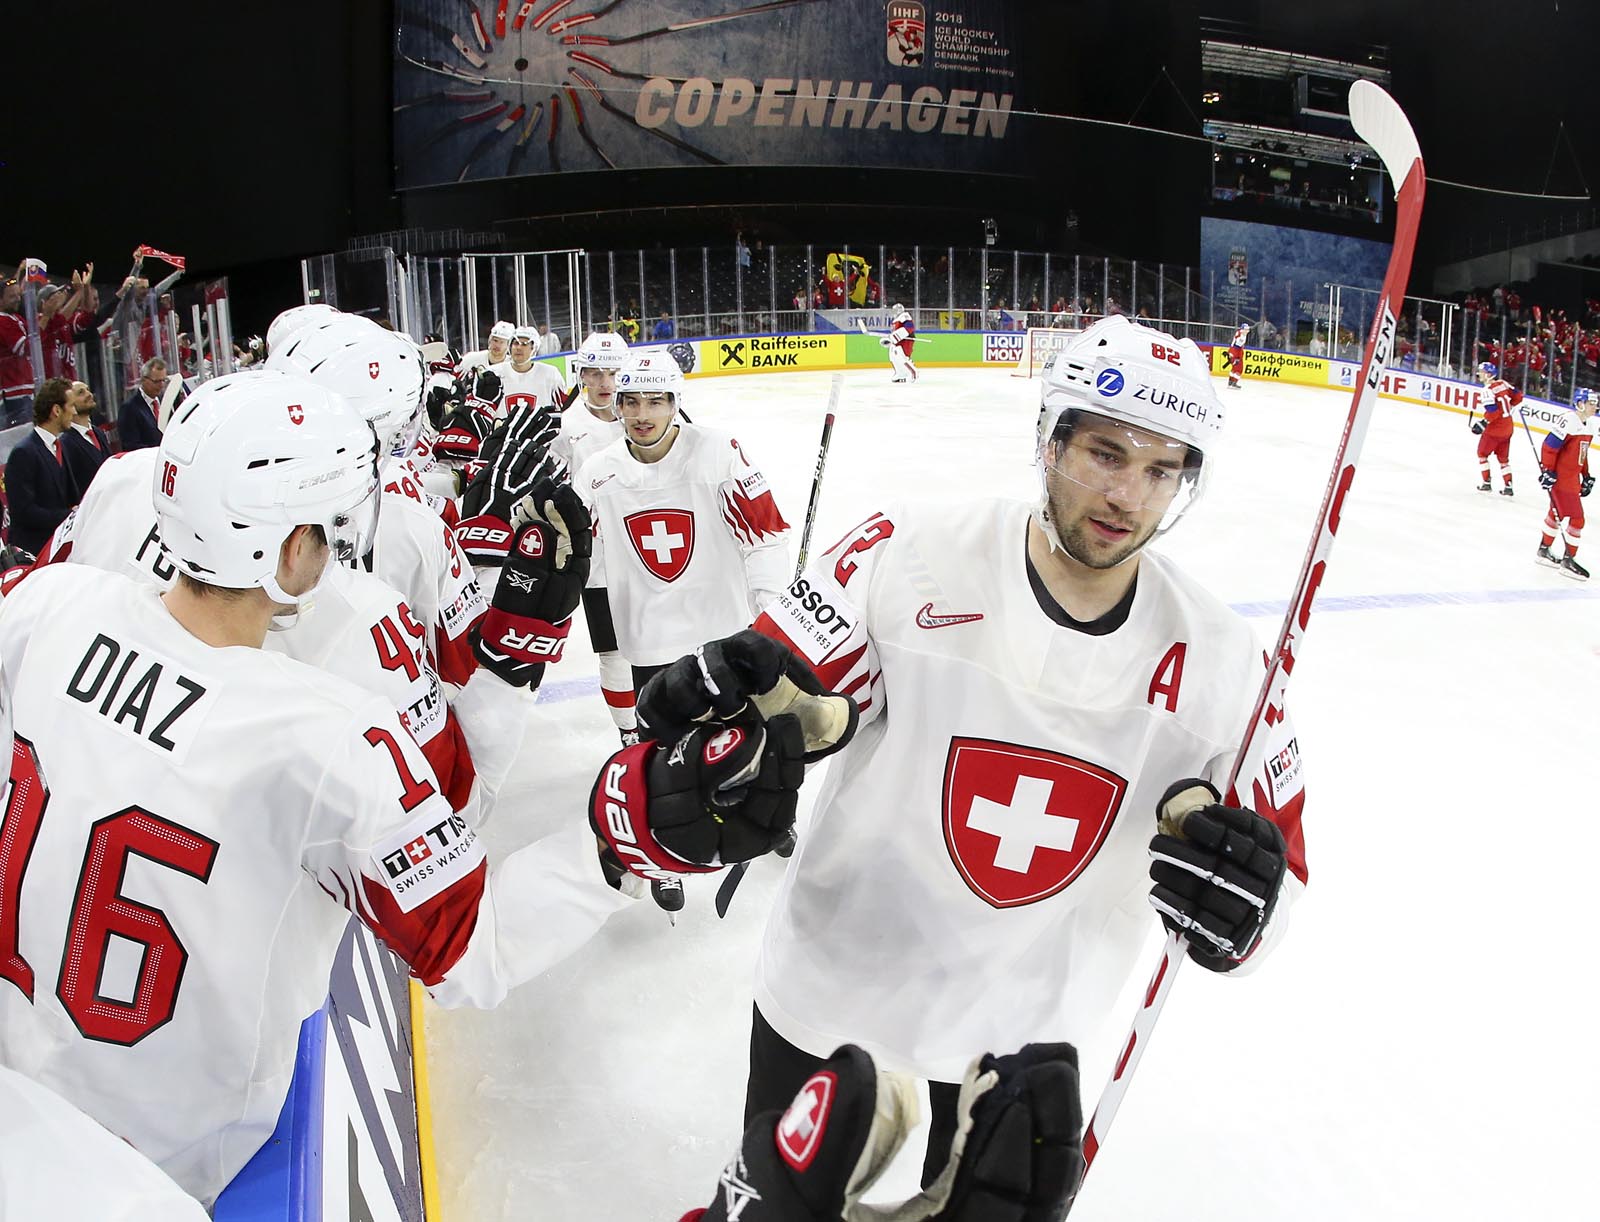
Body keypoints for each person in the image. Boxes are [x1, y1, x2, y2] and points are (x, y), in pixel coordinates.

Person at [0, 369, 802, 1207]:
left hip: (18, 1113)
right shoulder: (325, 733)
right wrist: (619, 839)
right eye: (331, 524)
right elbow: (469, 944)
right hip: (162, 1170)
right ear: (290, 549)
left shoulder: (42, 605)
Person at [646, 316, 1307, 1186]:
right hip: (835, 987)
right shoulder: (907, 551)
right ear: (1050, 440)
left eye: (1160, 471)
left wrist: (1247, 912)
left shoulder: (1226, 663)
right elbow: (790, 697)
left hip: (1020, 1043)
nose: (1127, 498)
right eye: (1105, 454)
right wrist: (724, 749)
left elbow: (1278, 882)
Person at [578, 351, 793, 909]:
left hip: (720, 630)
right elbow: (584, 558)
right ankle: (660, 853)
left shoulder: (719, 452)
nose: (641, 413)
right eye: (631, 401)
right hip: (649, 638)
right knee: (663, 758)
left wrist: (771, 610)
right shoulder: (597, 471)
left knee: (751, 742)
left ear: (676, 402)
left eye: (656, 401)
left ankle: (766, 820)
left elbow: (765, 535)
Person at [550, 331, 639, 742]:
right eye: (596, 373)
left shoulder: (645, 419)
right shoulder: (565, 426)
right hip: (598, 561)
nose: (605, 382)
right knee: (614, 652)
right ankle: (629, 733)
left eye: (614, 373)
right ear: (581, 374)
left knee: (663, 642)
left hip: (650, 552)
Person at [4, 378, 79, 553]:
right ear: (56, 410)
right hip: (35, 551)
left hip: (59, 546)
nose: (75, 412)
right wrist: (69, 516)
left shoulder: (60, 447)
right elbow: (24, 511)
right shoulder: (24, 453)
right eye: (71, 406)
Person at [1535, 386, 1595, 579]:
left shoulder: (1589, 425)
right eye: (1591, 403)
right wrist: (1548, 470)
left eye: (1595, 403)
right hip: (1562, 480)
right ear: (1580, 404)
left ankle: (1543, 550)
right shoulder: (1568, 421)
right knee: (1578, 519)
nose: (1595, 406)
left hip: (1572, 479)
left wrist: (1586, 475)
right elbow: (1549, 447)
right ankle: (1568, 560)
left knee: (1556, 513)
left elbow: (1581, 454)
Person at [1471, 361, 1520, 495]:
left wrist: (1484, 422)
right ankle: (1508, 486)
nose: (1479, 374)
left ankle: (1486, 483)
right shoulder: (1503, 383)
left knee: (1482, 454)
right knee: (1503, 458)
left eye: (1481, 372)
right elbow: (1518, 396)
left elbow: (1493, 412)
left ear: (1488, 374)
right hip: (1508, 426)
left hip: (1495, 429)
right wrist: (1510, 406)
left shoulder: (1487, 390)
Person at [494, 323, 564, 416]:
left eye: (524, 344)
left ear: (534, 349)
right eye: (516, 343)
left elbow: (564, 410)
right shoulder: (494, 373)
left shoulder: (551, 374)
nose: (518, 348)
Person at [59, 379, 110, 495]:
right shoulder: (65, 443)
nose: (89, 394)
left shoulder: (99, 433)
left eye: (88, 390)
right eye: (81, 393)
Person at [117, 358, 168, 450]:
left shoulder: (167, 401)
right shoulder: (129, 408)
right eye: (156, 381)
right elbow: (131, 445)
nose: (161, 385)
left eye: (163, 380)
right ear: (144, 380)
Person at [884, 303, 918, 383]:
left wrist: (897, 336)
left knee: (902, 356)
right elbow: (894, 333)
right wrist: (890, 339)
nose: (894, 312)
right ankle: (900, 373)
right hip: (898, 341)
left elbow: (909, 327)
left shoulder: (904, 316)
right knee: (893, 356)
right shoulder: (895, 320)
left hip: (906, 340)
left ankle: (913, 372)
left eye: (896, 310)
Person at [1227, 322, 1248, 389]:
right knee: (1239, 369)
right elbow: (1238, 345)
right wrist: (1237, 356)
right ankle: (1234, 383)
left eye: (1247, 329)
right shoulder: (1240, 335)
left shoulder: (1240, 333)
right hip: (1236, 352)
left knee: (1234, 368)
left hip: (1234, 351)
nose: (1247, 331)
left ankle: (1230, 382)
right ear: (1242, 329)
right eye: (1246, 329)